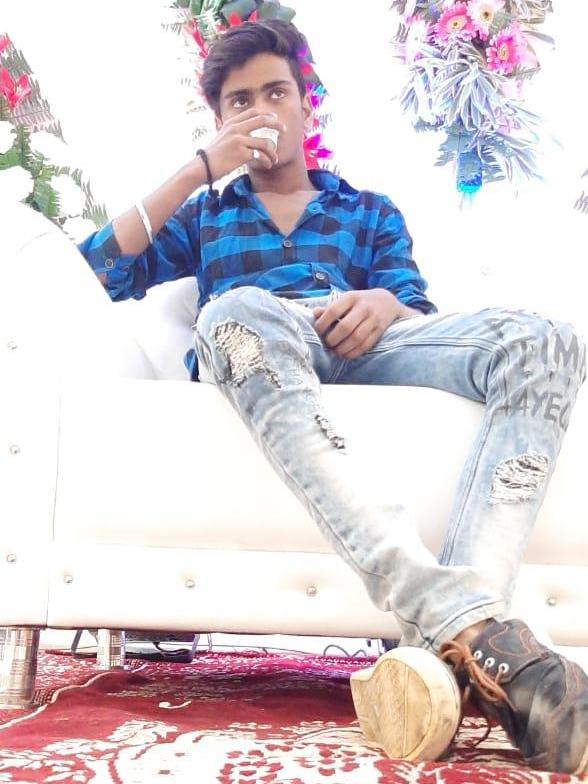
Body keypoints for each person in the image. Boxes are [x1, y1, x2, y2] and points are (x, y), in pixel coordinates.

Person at [78, 19, 588, 774]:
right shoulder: (207, 215)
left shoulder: (368, 209)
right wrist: (199, 168)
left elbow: (416, 307)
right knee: (234, 309)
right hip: (257, 347)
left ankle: (449, 646)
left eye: (276, 92)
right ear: (218, 119)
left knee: (547, 339)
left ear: (304, 103)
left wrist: (384, 302)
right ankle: (484, 640)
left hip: (363, 344)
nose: (261, 110)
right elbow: (97, 269)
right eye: (240, 101)